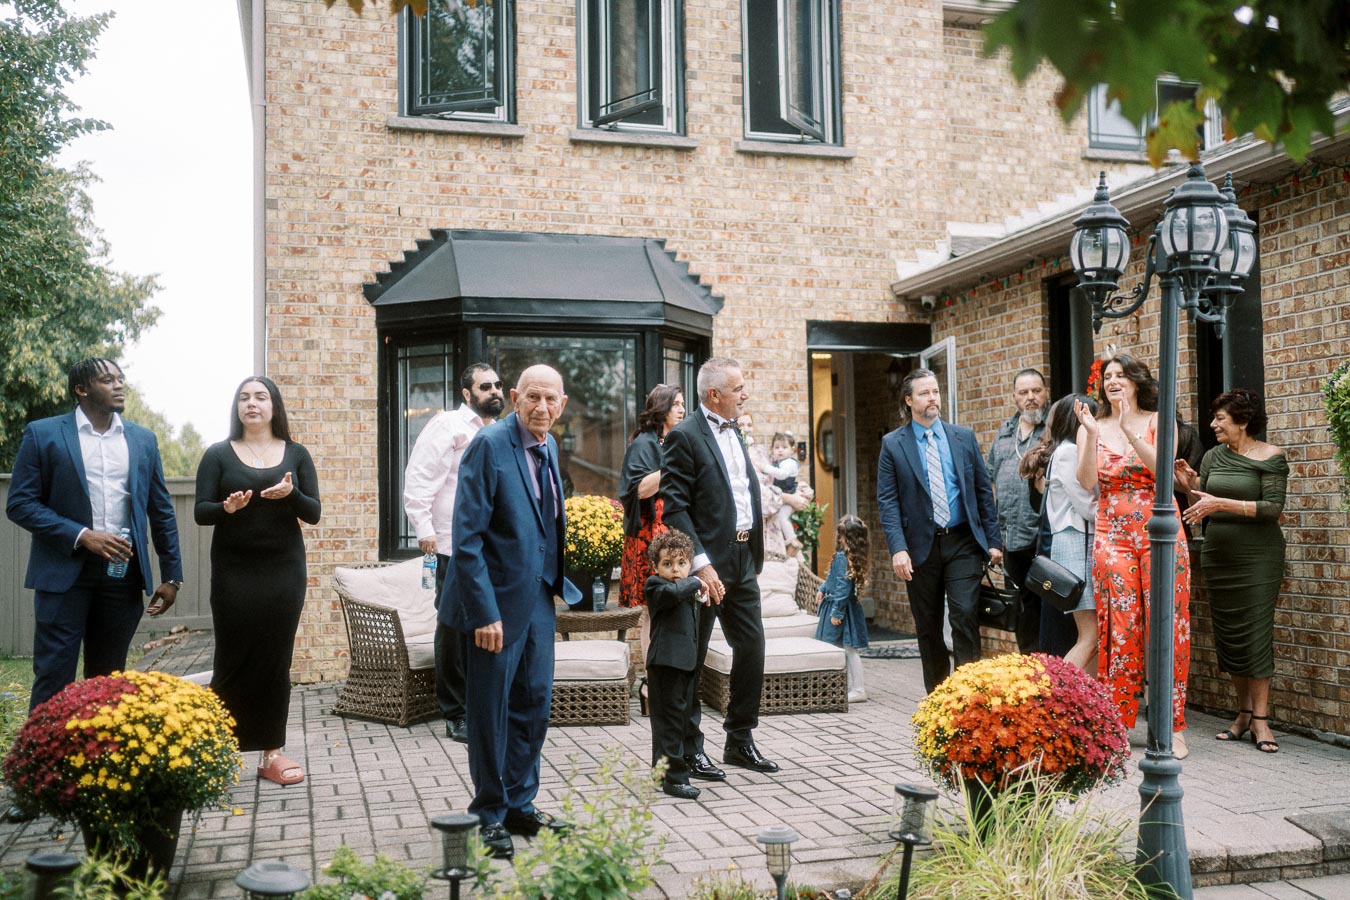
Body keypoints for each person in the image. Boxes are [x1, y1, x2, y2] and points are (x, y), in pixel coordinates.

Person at [441, 365, 581, 860]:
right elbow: (467, 537)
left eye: (551, 399)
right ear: (517, 397)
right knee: (490, 712)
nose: (542, 407)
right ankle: (489, 813)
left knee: (533, 704)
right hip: (494, 606)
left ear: (562, 404)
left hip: (539, 598)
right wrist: (484, 612)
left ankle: (520, 803)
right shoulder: (489, 445)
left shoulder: (549, 445)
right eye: (533, 397)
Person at [6, 357, 183, 728]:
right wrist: (82, 535)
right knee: (53, 676)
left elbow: (161, 510)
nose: (119, 385)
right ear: (81, 389)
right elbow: (20, 504)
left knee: (108, 680)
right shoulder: (43, 434)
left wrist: (172, 576)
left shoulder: (143, 439)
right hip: (62, 574)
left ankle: (101, 757)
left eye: (120, 378)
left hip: (122, 574)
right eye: (107, 379)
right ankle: (42, 759)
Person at [194, 376, 322, 785]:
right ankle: (218, 751)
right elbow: (200, 512)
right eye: (244, 397)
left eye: (261, 397)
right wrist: (226, 508)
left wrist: (291, 495)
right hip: (234, 572)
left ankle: (271, 754)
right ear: (237, 408)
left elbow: (314, 513)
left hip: (284, 571)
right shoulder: (218, 454)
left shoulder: (296, 454)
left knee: (275, 660)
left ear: (273, 406)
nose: (252, 403)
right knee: (231, 658)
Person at [662, 357, 779, 778]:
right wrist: (701, 564)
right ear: (714, 394)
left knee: (752, 648)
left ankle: (740, 740)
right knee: (692, 659)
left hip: (744, 559)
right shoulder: (684, 436)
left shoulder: (735, 430)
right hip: (707, 566)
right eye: (738, 388)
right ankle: (690, 748)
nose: (745, 394)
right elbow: (675, 507)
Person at [1074, 353, 1191, 759]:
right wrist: (1091, 433)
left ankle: (1171, 727)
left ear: (1137, 381)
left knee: (1167, 624)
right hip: (1112, 533)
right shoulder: (1092, 425)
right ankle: (1118, 723)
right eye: (1107, 376)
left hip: (1160, 531)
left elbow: (1163, 473)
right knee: (1120, 627)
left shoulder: (1159, 420)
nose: (1113, 381)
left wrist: (1129, 429)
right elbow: (1086, 481)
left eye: (1121, 375)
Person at [877, 367, 1003, 695]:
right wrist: (898, 549)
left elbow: (982, 491)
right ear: (909, 401)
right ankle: (938, 699)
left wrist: (993, 540)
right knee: (928, 625)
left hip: (962, 541)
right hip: (920, 548)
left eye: (935, 391)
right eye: (924, 393)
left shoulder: (963, 437)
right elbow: (888, 502)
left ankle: (969, 695)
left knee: (964, 614)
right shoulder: (893, 445)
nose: (933, 398)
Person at [1178, 389, 1288, 754]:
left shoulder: (1271, 457)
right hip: (1219, 555)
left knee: (1256, 634)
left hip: (1258, 557)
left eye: (1220, 419)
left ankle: (1261, 720)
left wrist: (1221, 503)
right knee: (1231, 637)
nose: (1213, 425)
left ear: (1242, 421)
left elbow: (1272, 508)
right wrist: (1189, 485)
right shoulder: (1213, 456)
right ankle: (1242, 715)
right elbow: (1201, 504)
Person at [402, 363, 506, 744]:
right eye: (485, 386)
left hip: (487, 547)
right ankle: (455, 711)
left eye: (497, 385)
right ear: (467, 393)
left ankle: (480, 704)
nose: (494, 391)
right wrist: (424, 530)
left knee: (483, 622)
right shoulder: (448, 425)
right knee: (453, 627)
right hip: (450, 544)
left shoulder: (498, 432)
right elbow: (419, 477)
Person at [1021, 394, 1099, 670]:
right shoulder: (1068, 452)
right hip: (1075, 542)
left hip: (1077, 541)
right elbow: (1087, 506)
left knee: (1091, 638)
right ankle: (1059, 690)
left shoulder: (1067, 451)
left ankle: (1086, 694)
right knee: (1090, 636)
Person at [618, 383, 687, 688]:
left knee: (673, 610)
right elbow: (639, 489)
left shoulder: (675, 441)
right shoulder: (644, 443)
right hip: (650, 538)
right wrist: (672, 462)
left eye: (683, 404)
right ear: (661, 408)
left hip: (675, 538)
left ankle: (669, 678)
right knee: (654, 611)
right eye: (676, 404)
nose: (682, 409)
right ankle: (651, 682)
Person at [985, 368, 1049, 654]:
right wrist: (993, 536)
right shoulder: (1004, 433)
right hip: (1010, 538)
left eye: (1036, 391)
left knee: (1046, 607)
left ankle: (1051, 669)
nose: (1030, 397)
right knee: (1021, 609)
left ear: (1045, 393)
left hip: (1043, 537)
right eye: (1024, 392)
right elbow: (989, 480)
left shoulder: (1052, 430)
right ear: (1014, 397)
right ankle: (1028, 666)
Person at [643, 528, 709, 800]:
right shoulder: (656, 587)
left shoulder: (686, 590)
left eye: (682, 563)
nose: (675, 570)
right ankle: (676, 779)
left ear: (689, 563)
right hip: (665, 664)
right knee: (670, 723)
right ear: (655, 567)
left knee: (673, 720)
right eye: (667, 564)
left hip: (683, 664)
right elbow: (674, 592)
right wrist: (697, 581)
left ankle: (660, 772)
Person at [814, 514, 871, 703]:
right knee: (846, 648)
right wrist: (823, 588)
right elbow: (834, 578)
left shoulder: (842, 557)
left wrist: (837, 612)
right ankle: (845, 686)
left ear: (845, 536)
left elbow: (843, 587)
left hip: (840, 609)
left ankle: (858, 689)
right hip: (842, 607)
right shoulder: (849, 557)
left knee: (847, 649)